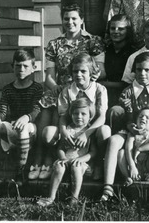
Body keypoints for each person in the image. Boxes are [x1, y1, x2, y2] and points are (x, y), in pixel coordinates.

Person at [28, 4, 105, 181]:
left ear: (82, 20)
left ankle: (51, 159)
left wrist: (80, 82)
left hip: (82, 90)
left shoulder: (93, 41)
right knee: (45, 113)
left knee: (60, 112)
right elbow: (48, 77)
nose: (70, 22)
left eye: (74, 18)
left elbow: (101, 71)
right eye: (66, 18)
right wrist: (58, 88)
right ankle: (41, 158)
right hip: (59, 88)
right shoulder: (55, 44)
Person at [100, 52, 149, 209]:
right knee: (114, 140)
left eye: (147, 70)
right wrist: (130, 125)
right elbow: (128, 118)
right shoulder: (128, 91)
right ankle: (107, 187)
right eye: (139, 69)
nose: (142, 73)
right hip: (133, 130)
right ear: (134, 71)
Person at [42, 53, 110, 181]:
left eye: (83, 71)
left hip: (92, 132)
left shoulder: (100, 90)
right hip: (72, 130)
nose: (78, 75)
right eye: (75, 71)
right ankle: (60, 160)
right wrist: (64, 132)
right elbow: (62, 115)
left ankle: (98, 163)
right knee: (48, 133)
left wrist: (86, 134)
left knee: (105, 131)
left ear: (91, 72)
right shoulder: (67, 91)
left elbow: (102, 117)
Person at [0, 48, 43, 183]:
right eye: (18, 66)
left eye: (25, 66)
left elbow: (36, 110)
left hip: (30, 129)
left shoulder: (37, 88)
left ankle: (20, 170)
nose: (21, 69)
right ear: (13, 67)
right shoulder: (8, 89)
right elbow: (3, 111)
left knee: (23, 127)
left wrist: (26, 117)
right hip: (13, 126)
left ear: (33, 68)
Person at [37, 98, 97, 207]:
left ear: (90, 116)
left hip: (82, 164)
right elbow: (60, 148)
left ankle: (74, 198)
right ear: (71, 114)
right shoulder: (68, 130)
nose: (79, 117)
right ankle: (51, 197)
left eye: (83, 114)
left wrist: (80, 160)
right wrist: (63, 158)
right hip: (66, 161)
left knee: (76, 167)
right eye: (75, 113)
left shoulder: (89, 132)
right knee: (59, 166)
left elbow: (93, 152)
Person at [99, 14, 136, 107]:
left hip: (126, 96)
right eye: (112, 28)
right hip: (104, 93)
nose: (115, 31)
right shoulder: (106, 49)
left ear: (128, 31)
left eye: (120, 29)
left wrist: (103, 84)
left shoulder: (132, 52)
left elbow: (129, 83)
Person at [117, 108, 149, 187]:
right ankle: (128, 177)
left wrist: (139, 149)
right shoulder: (132, 134)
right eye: (140, 116)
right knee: (121, 153)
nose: (143, 118)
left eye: (147, 117)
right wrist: (132, 166)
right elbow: (128, 149)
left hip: (147, 167)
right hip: (133, 167)